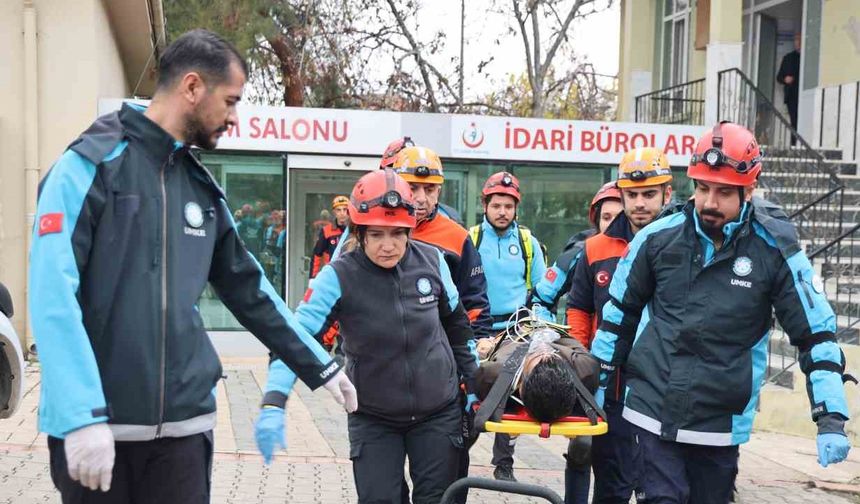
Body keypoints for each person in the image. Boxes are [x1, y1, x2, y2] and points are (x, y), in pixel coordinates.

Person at [28, 29, 356, 503]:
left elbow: (250, 291)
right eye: (230, 100)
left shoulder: (199, 189)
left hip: (185, 432)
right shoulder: (88, 167)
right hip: (99, 433)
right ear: (192, 87)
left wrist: (319, 365)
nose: (234, 117)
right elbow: (52, 296)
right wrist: (80, 414)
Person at [592, 122, 852, 504]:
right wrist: (597, 379)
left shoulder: (775, 249)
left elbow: (815, 334)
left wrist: (830, 417)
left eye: (724, 192)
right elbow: (620, 314)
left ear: (749, 190)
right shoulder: (657, 239)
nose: (709, 202)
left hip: (720, 422)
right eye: (702, 188)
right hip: (651, 408)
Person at [255, 169, 479, 504]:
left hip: (438, 411)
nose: (388, 246)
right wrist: (275, 398)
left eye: (397, 234)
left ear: (409, 230)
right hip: (373, 417)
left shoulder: (434, 262)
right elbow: (297, 336)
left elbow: (458, 329)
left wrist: (474, 388)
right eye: (376, 235)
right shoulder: (338, 275)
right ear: (359, 233)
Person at [566, 147, 674, 504]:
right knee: (611, 487)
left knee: (659, 488)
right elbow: (579, 307)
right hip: (609, 388)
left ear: (667, 194)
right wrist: (582, 361)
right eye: (632, 195)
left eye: (649, 194)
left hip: (666, 391)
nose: (640, 203)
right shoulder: (594, 248)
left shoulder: (685, 243)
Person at [470, 171, 547, 482]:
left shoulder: (528, 243)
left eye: (508, 206)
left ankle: (504, 463)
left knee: (514, 394)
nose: (502, 211)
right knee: (470, 393)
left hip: (516, 329)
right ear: (485, 205)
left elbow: (543, 290)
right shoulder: (471, 238)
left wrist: (539, 322)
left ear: (516, 208)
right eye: (496, 205)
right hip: (479, 329)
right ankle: (459, 451)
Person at [530, 181, 623, 323]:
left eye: (619, 218)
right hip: (581, 342)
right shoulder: (578, 254)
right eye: (606, 217)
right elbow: (538, 300)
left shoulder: (647, 252)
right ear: (597, 220)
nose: (612, 224)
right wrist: (547, 333)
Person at [309, 195, 349, 279]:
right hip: (332, 274)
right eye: (338, 210)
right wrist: (313, 277)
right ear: (334, 212)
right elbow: (317, 254)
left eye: (345, 210)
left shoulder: (355, 230)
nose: (342, 213)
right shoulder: (326, 231)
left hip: (349, 274)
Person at [777, 32, 801, 144]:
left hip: (804, 95)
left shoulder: (808, 58)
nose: (798, 42)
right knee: (794, 122)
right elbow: (779, 77)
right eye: (796, 39)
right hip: (792, 95)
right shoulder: (788, 58)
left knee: (803, 121)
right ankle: (794, 144)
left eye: (800, 39)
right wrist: (785, 79)